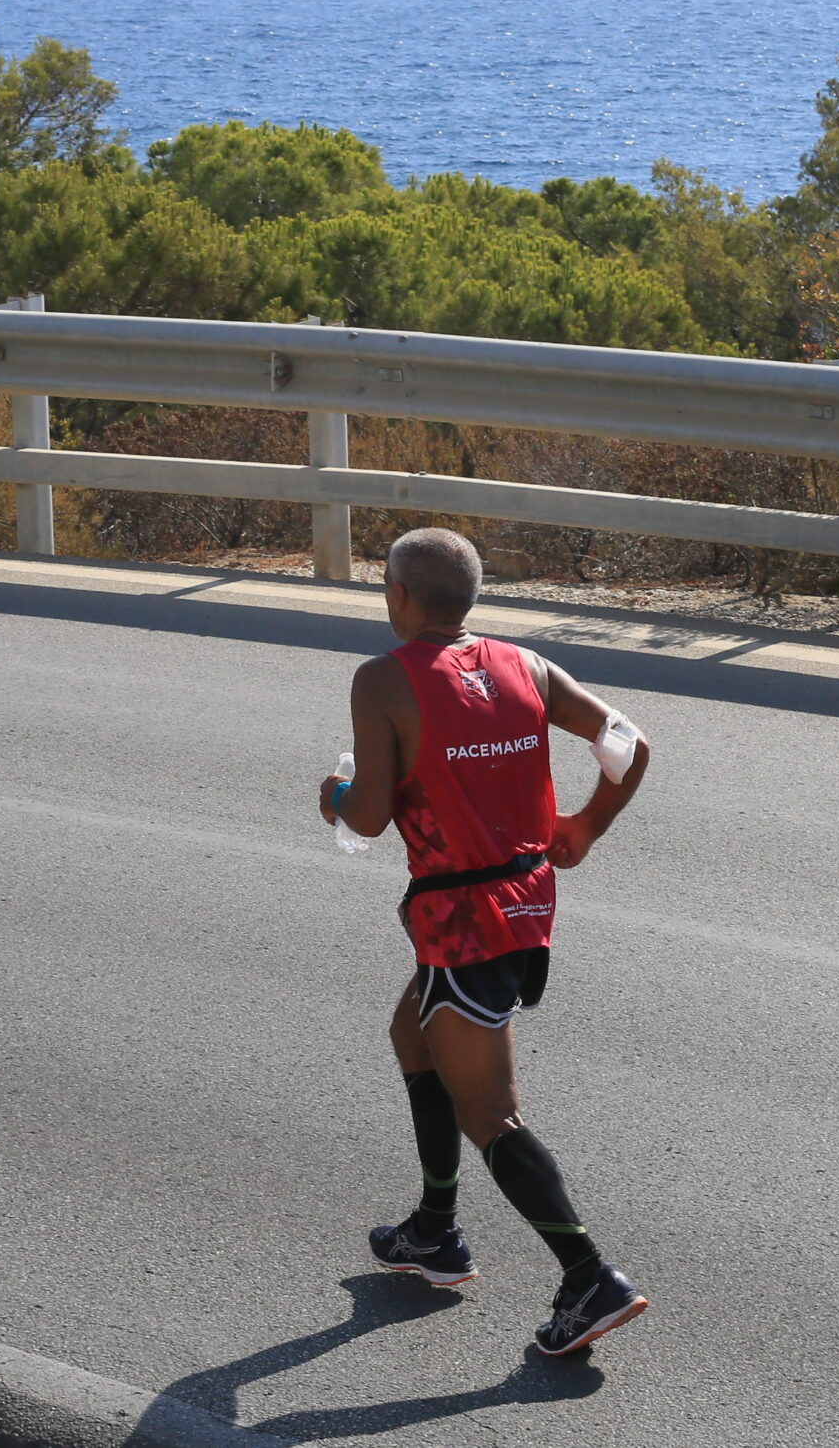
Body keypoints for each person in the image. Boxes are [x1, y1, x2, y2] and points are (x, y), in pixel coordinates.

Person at [318, 526, 653, 1357]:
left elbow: (368, 814)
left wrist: (333, 792)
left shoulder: (383, 679)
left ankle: (589, 1276)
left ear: (398, 597)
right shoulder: (526, 665)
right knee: (411, 1033)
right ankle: (434, 1230)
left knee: (491, 1112)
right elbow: (629, 743)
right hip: (523, 902)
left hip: (462, 921)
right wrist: (584, 826)